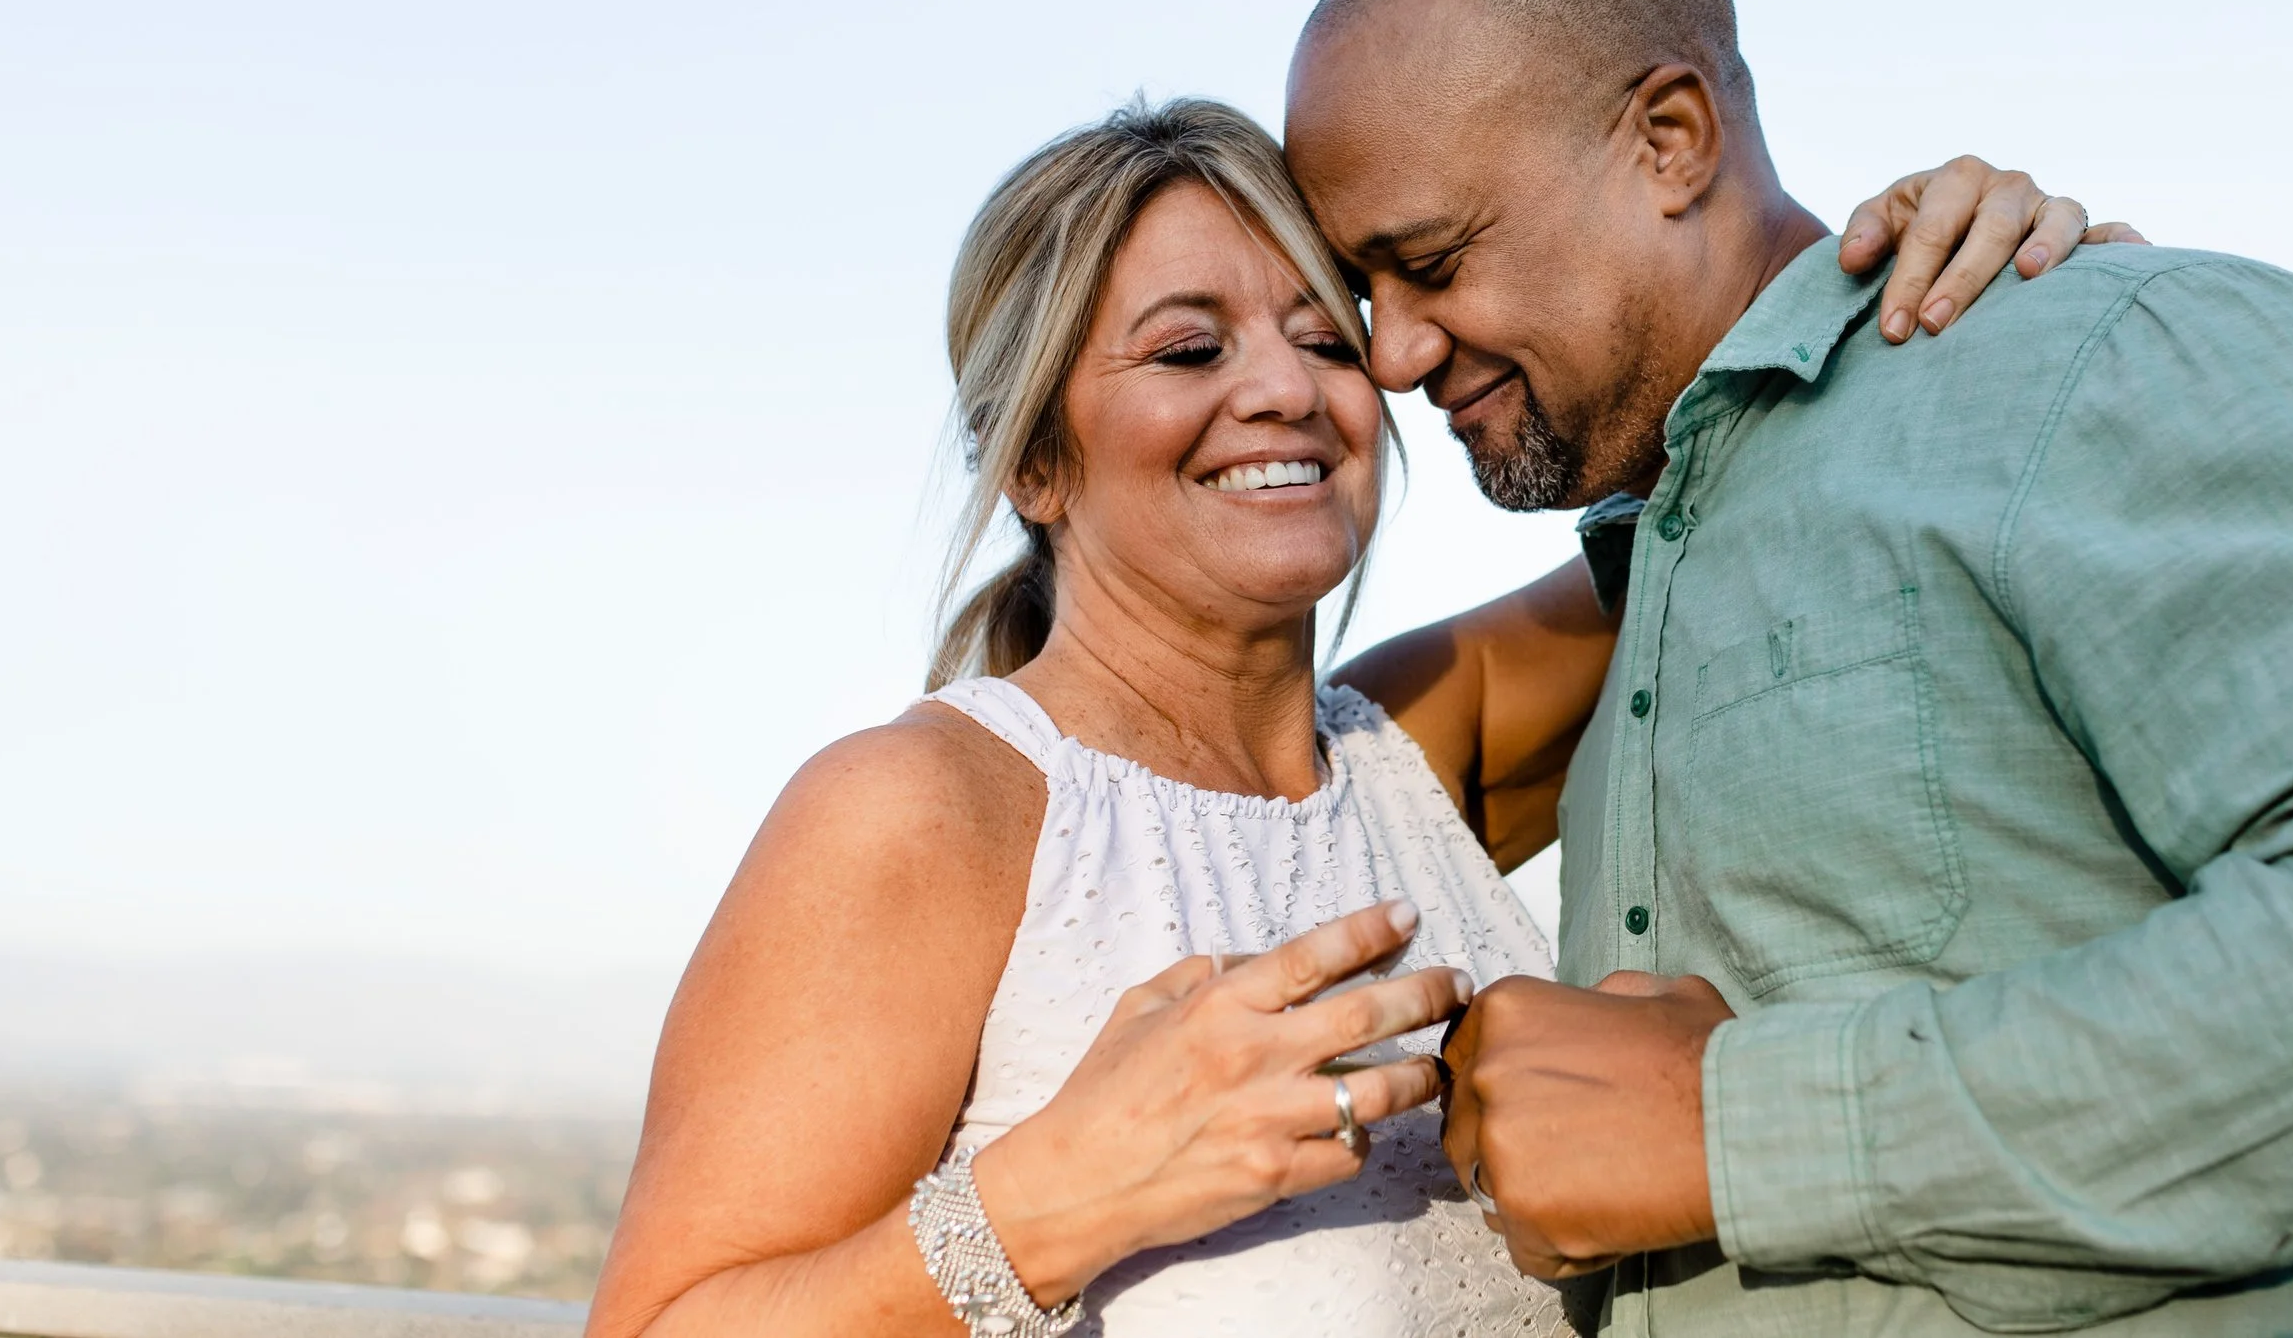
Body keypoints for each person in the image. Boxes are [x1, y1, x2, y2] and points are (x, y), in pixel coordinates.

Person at [582, 84, 2104, 1337]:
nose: (1285, 391)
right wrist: (1069, 1189)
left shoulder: (1428, 735)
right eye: (1189, 349)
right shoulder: (924, 810)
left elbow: (1754, 481)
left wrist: (1964, 274)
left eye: (1324, 336)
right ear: (1035, 464)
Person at [1284, 0, 2293, 1335]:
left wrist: (1730, 1130)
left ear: (1669, 142)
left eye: (1428, 263)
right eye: (1363, 293)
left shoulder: (2090, 355)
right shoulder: (1629, 609)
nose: (1397, 355)